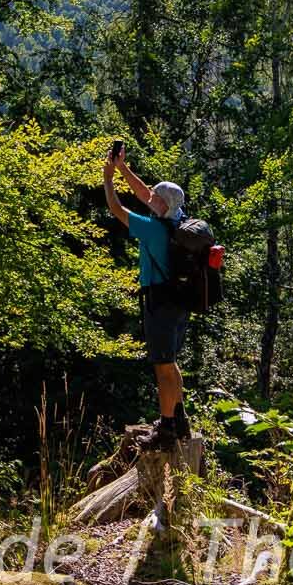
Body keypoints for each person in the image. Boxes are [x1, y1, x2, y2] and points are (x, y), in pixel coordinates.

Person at [104, 143, 191, 447]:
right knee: (171, 362)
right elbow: (145, 194)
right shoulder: (179, 221)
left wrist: (108, 177)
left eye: (155, 196)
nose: (149, 197)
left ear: (162, 204)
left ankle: (167, 428)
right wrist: (122, 167)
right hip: (179, 301)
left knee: (162, 367)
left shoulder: (153, 228)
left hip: (160, 302)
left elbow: (116, 208)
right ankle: (179, 419)